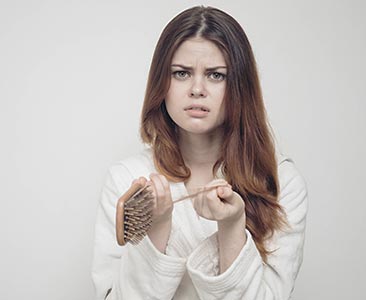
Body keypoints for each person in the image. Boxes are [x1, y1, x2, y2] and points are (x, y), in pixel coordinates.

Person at [91, 5, 308, 300]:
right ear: (162, 84)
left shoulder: (280, 182)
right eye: (181, 73)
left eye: (216, 75)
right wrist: (157, 231)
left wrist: (232, 226)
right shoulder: (128, 180)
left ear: (239, 86)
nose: (197, 89)